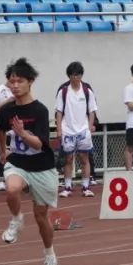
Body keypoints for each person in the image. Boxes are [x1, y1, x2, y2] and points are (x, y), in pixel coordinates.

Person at [0, 58, 60, 265]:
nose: (15, 86)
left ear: (30, 82)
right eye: (11, 81)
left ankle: (49, 254)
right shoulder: (7, 110)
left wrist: (22, 133)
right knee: (12, 189)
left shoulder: (40, 110)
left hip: (42, 166)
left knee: (41, 218)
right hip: (18, 163)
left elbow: (40, 144)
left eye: (19, 81)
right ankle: (16, 219)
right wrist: (3, 150)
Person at [55, 61, 98, 198]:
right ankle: (67, 187)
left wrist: (89, 128)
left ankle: (86, 187)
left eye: (78, 75)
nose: (76, 78)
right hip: (67, 130)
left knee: (84, 159)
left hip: (83, 130)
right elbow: (59, 112)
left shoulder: (87, 91)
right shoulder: (63, 92)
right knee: (68, 159)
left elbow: (92, 111)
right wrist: (59, 130)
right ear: (69, 76)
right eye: (73, 75)